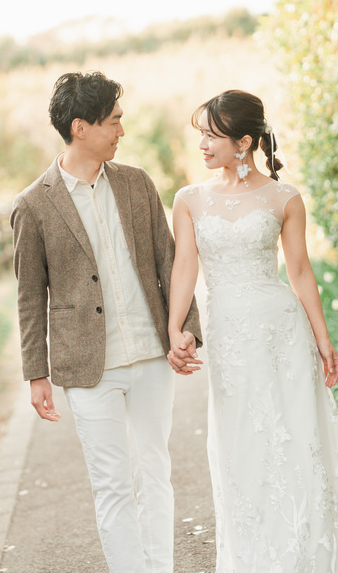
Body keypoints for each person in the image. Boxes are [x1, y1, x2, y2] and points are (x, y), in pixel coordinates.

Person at [166, 90, 338, 572]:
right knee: (242, 442)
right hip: (230, 336)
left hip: (282, 331)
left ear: (244, 142)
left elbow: (299, 271)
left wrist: (323, 340)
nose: (202, 144)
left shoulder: (284, 197)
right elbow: (184, 268)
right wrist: (175, 328)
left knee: (296, 437)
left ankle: (310, 554)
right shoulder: (189, 200)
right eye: (200, 134)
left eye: (212, 135)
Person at [11, 71, 202, 573]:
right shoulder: (32, 205)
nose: (121, 130)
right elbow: (29, 297)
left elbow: (170, 262)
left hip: (151, 354)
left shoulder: (137, 183)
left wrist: (186, 329)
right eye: (113, 121)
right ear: (80, 127)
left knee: (155, 472)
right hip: (87, 365)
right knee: (112, 485)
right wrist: (36, 373)